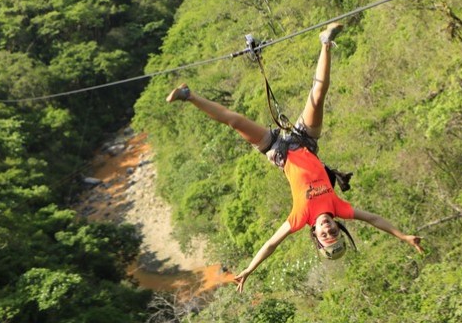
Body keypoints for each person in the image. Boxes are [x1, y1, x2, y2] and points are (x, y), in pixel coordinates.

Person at [166, 23, 424, 293]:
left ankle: (188, 95)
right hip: (305, 141)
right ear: (337, 226)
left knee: (235, 121)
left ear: (316, 235)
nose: (328, 230)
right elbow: (374, 219)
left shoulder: (300, 218)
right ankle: (326, 41)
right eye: (334, 232)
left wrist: (249, 270)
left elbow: (270, 245)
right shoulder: (339, 208)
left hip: (278, 151)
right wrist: (403, 236)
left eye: (325, 236)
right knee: (318, 95)